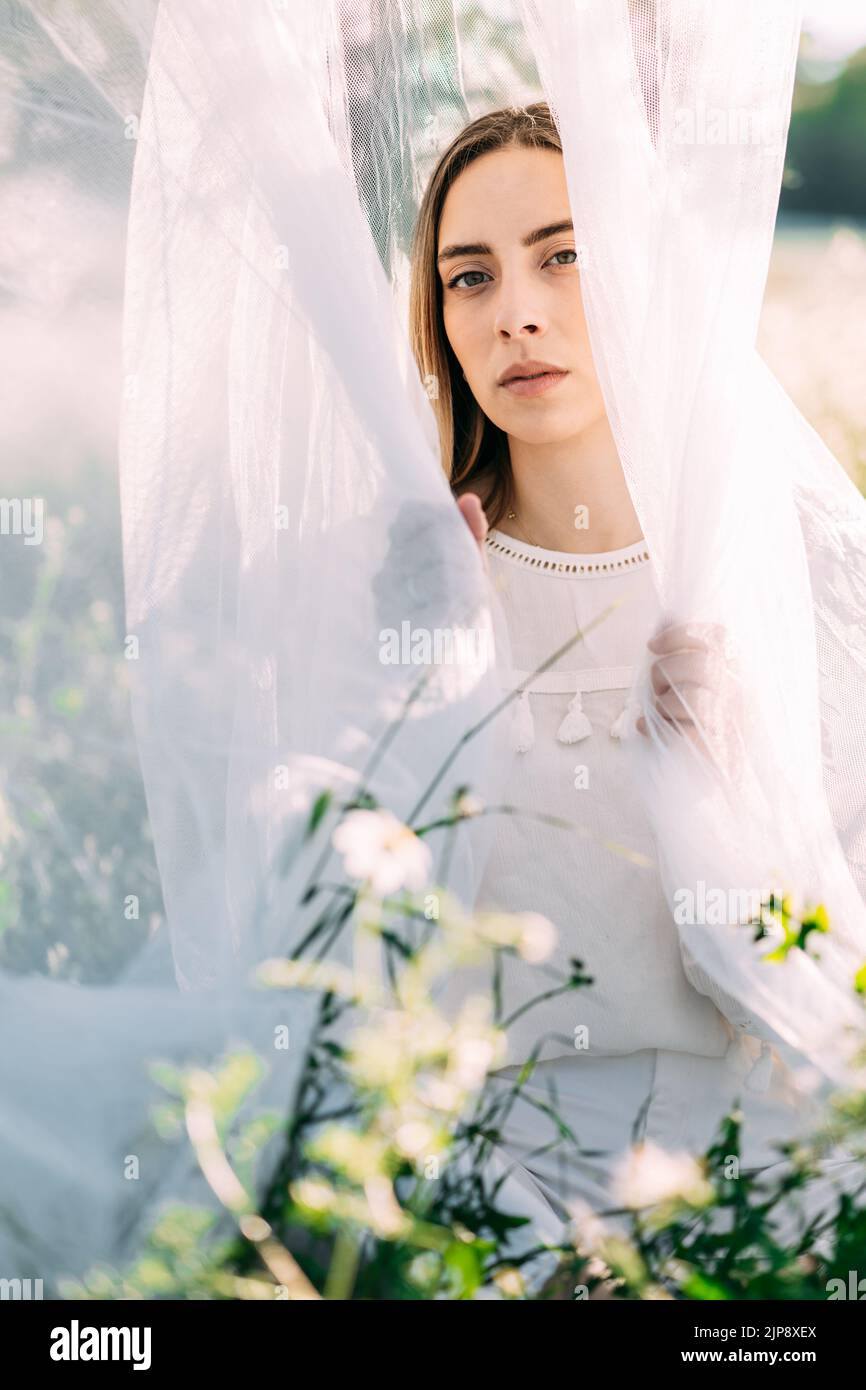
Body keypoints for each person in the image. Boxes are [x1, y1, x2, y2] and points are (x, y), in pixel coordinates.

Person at [408, 102, 860, 1249]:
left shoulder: (771, 569)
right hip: (470, 1166)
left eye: (564, 256)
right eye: (469, 277)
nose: (515, 311)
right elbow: (340, 939)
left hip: (748, 1155)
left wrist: (735, 792)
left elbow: (828, 971)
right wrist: (412, 701)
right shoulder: (412, 580)